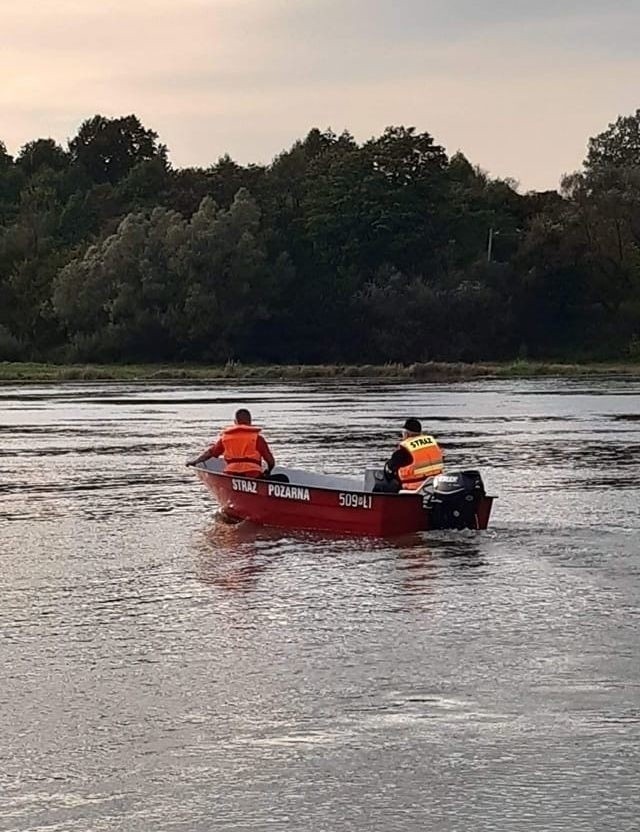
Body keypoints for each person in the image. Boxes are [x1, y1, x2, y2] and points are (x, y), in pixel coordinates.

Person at [187, 408, 275, 477]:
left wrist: (195, 461)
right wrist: (268, 471)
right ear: (250, 421)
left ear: (235, 422)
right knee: (281, 478)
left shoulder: (225, 438)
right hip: (253, 474)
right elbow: (271, 462)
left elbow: (210, 453)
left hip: (231, 474)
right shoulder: (257, 438)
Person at [373, 417, 444, 493]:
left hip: (413, 489)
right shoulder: (433, 444)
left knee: (379, 487)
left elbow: (390, 468)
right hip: (434, 485)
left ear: (406, 434)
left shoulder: (404, 450)